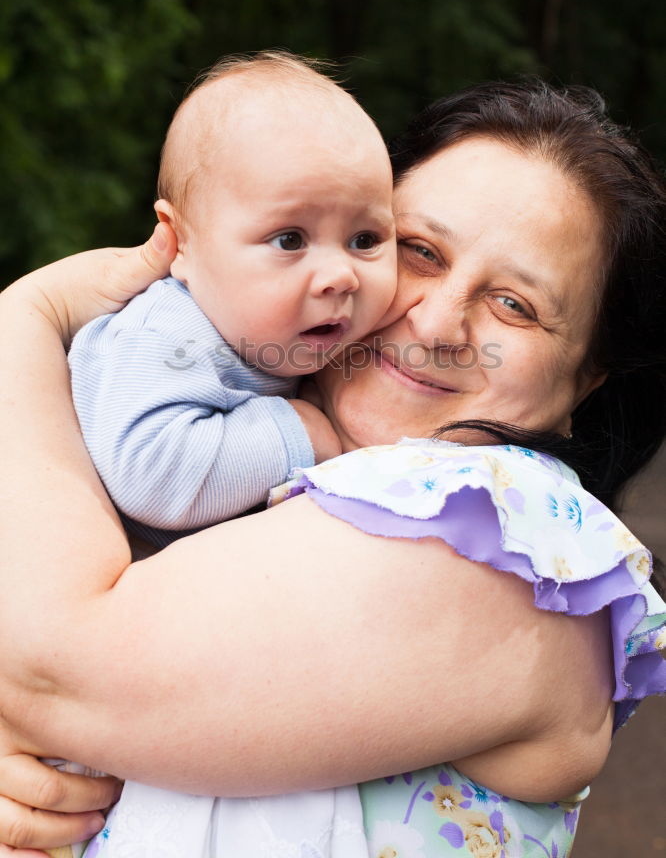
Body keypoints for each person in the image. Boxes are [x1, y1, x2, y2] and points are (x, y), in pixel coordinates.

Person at [0, 80, 664, 858]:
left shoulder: (505, 530)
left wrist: (27, 317)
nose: (439, 320)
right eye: (417, 251)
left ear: (584, 383)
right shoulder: (256, 463)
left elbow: (53, 672)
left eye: (515, 305)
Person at [68, 51, 396, 549]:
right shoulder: (164, 335)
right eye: (290, 240)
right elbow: (150, 475)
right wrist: (300, 429)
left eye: (366, 240)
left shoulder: (282, 331)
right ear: (183, 244)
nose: (340, 276)